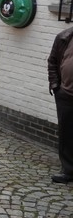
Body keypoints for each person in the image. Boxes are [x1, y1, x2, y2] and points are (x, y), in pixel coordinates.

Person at [47, 26, 73, 183]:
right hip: (66, 95)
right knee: (66, 134)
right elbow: (52, 61)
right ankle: (68, 170)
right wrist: (56, 86)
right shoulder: (64, 37)